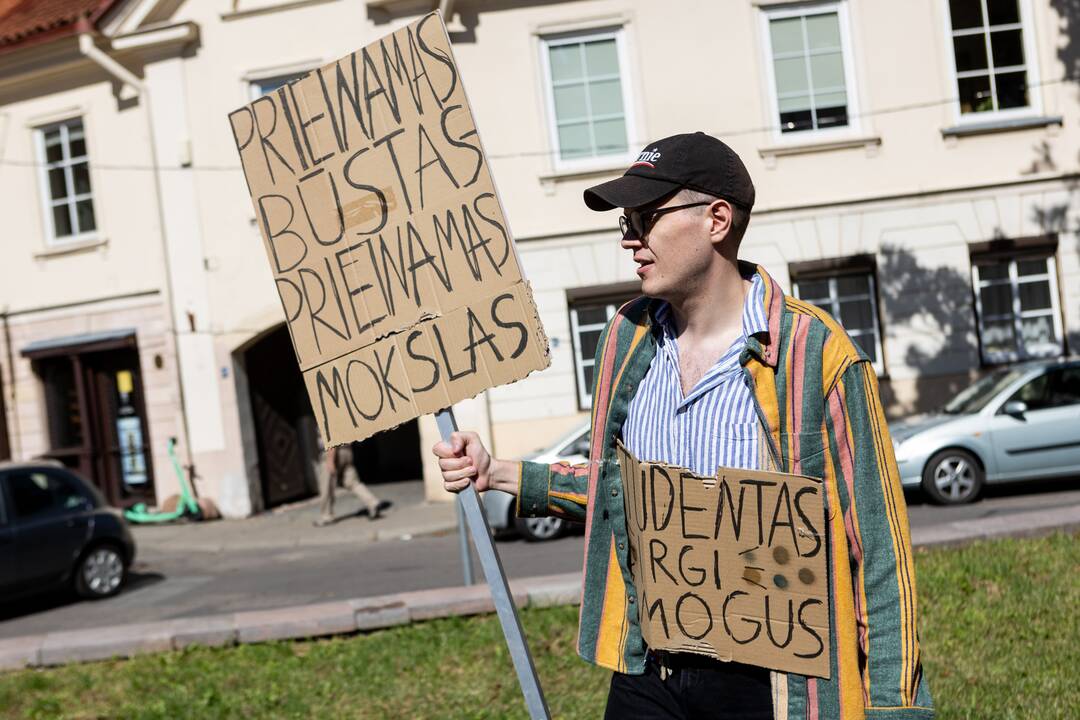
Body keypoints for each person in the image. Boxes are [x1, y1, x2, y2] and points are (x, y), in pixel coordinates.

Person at [434, 132, 933, 719]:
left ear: (717, 219)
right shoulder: (628, 337)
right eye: (625, 221)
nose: (629, 240)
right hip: (653, 669)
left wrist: (895, 709)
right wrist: (500, 473)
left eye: (646, 218)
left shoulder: (813, 353)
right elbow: (623, 489)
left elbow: (876, 545)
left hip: (771, 681)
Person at [314, 442, 388, 527]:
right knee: (352, 482)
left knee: (327, 486)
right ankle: (373, 503)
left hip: (332, 451)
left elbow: (330, 436)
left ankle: (326, 516)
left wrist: (330, 459)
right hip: (347, 451)